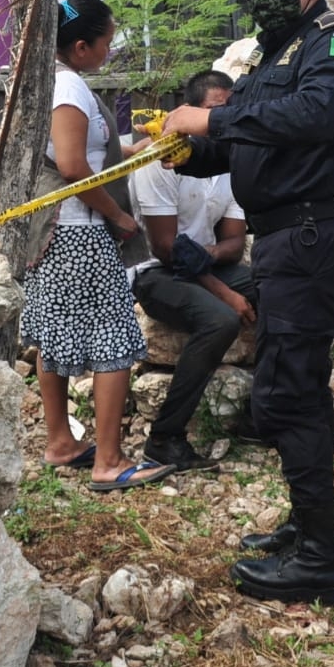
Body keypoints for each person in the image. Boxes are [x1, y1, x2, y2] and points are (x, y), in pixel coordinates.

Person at [161, 0, 334, 604]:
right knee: (295, 385)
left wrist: (207, 120)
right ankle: (305, 525)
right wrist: (185, 153)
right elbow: (252, 140)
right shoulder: (277, 55)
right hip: (292, 238)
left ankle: (320, 557)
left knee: (287, 392)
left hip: (318, 236)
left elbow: (310, 117)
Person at [21, 0, 172, 493]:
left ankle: (61, 442)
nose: (111, 49)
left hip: (56, 234)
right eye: (107, 41)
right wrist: (119, 216)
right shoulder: (69, 88)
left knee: (55, 333)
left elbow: (85, 150)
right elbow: (71, 165)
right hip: (80, 233)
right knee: (113, 338)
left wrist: (139, 148)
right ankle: (108, 460)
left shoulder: (49, 79)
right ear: (81, 46)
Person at [129, 70, 257, 473]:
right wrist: (225, 293)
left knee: (283, 284)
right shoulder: (162, 157)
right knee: (220, 320)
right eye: (214, 112)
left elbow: (235, 243)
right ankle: (166, 438)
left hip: (204, 264)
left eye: (229, 112)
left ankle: (264, 412)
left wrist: (209, 255)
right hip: (154, 273)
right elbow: (166, 249)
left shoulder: (234, 157)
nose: (221, 121)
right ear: (189, 113)